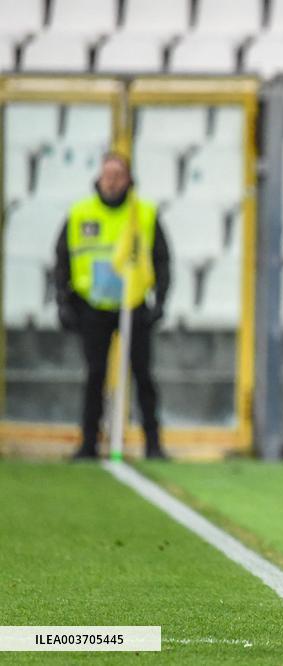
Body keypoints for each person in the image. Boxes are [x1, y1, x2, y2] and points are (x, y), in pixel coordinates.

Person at [54, 152, 170, 460]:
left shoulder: (143, 214)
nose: (112, 182)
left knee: (143, 375)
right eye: (108, 175)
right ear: (99, 178)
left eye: (118, 176)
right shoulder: (80, 213)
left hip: (133, 304)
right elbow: (62, 259)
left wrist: (160, 300)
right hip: (93, 305)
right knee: (95, 375)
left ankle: (153, 443)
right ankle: (88, 443)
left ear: (128, 180)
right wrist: (62, 301)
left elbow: (161, 259)